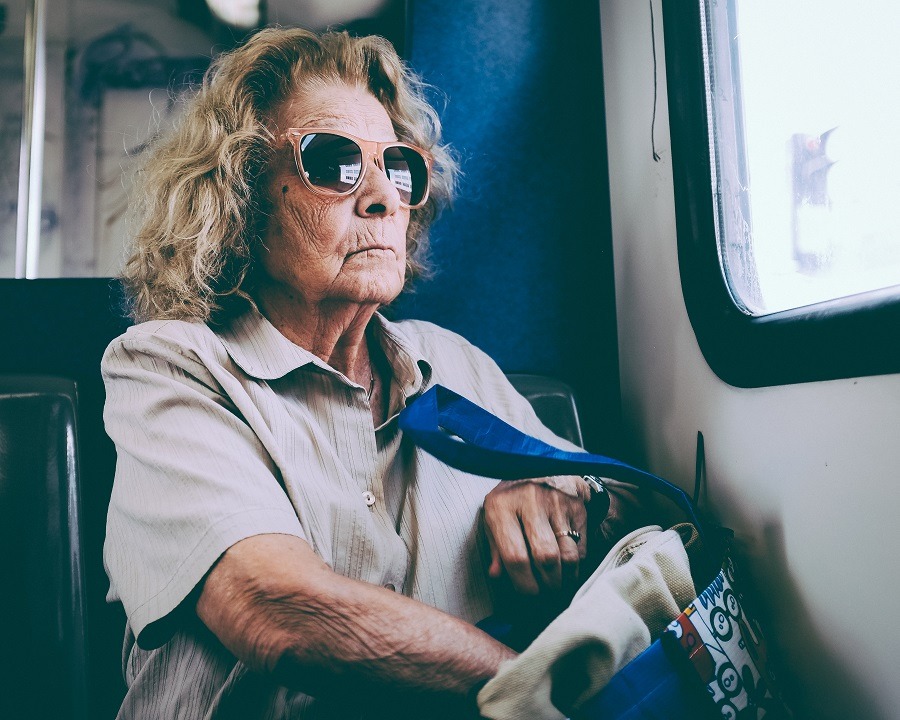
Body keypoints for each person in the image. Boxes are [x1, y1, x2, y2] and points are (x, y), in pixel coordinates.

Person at [102, 26, 640, 719]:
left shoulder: (452, 362)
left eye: (398, 166)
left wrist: (565, 494)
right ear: (242, 193)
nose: (384, 195)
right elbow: (278, 610)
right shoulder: (171, 367)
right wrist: (542, 692)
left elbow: (635, 505)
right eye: (335, 162)